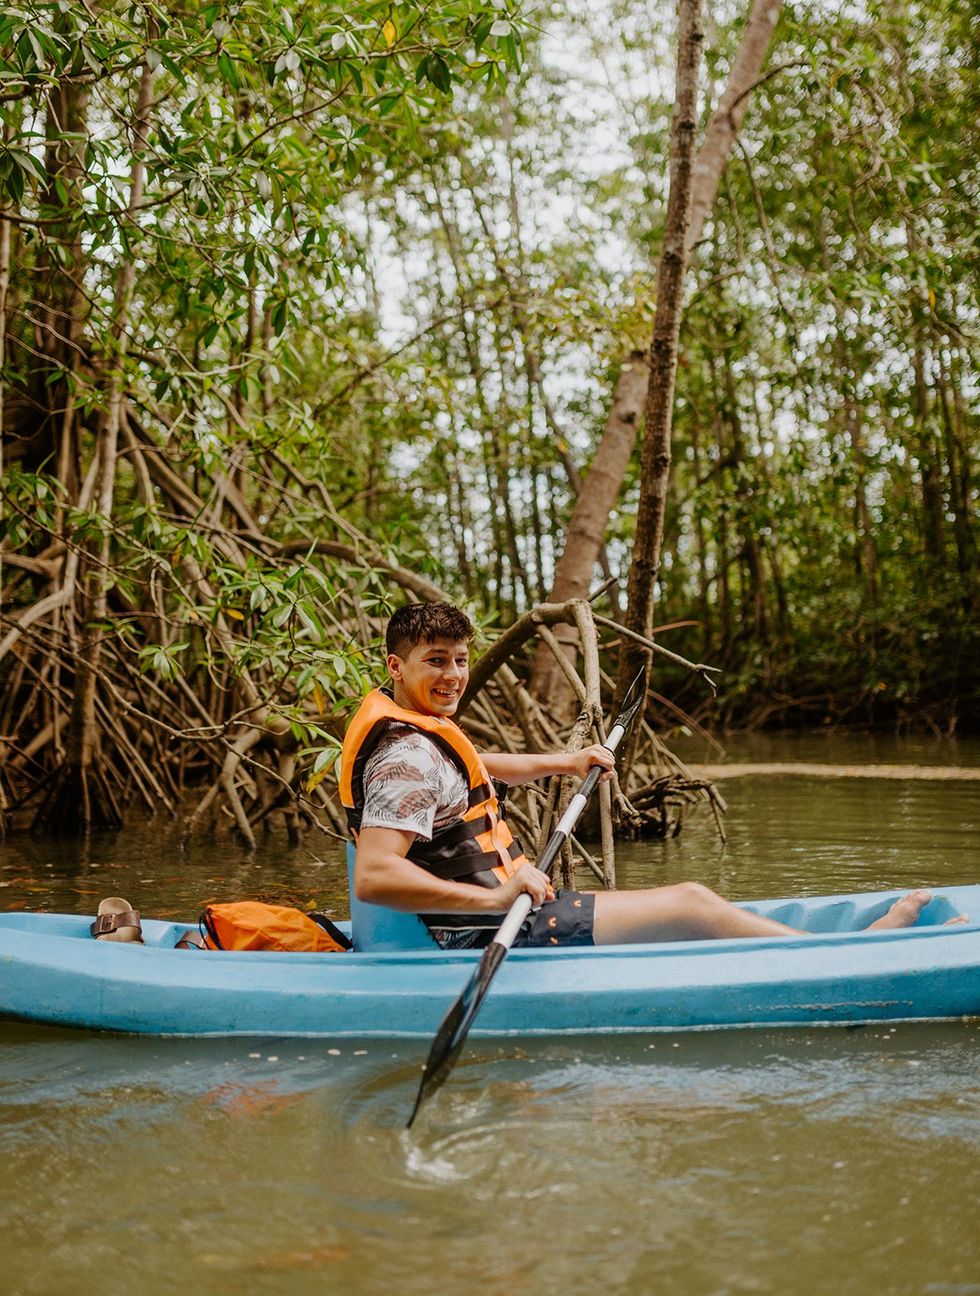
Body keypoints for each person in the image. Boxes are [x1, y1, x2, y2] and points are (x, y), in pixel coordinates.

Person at [341, 602, 946, 949]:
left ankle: (806, 948)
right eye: (434, 661)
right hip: (485, 932)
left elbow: (472, 768)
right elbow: (374, 875)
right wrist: (494, 896)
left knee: (691, 904)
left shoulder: (422, 738)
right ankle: (840, 958)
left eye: (461, 660)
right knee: (691, 903)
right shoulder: (405, 754)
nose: (453, 674)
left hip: (500, 912)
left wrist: (566, 760)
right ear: (396, 666)